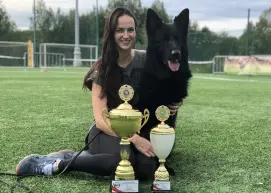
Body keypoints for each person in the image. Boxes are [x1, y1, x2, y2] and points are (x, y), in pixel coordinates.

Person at [15, 7, 182, 181]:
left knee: (146, 169)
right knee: (120, 161)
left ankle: (84, 156)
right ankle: (58, 163)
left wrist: (174, 101)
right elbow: (102, 121)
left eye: (130, 30)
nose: (126, 35)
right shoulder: (102, 68)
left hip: (139, 129)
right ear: (111, 33)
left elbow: (173, 84)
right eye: (120, 30)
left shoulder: (148, 60)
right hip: (106, 132)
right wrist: (135, 140)